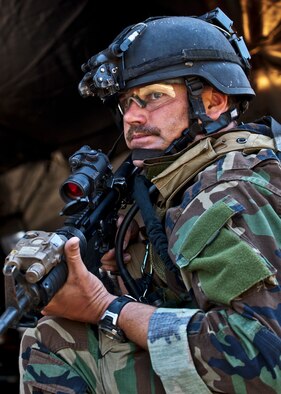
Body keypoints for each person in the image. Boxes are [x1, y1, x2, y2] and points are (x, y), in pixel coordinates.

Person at [19, 7, 281, 394]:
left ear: (213, 102)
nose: (132, 118)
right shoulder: (186, 181)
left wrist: (107, 308)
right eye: (128, 102)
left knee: (55, 340)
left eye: (153, 96)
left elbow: (262, 360)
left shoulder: (222, 192)